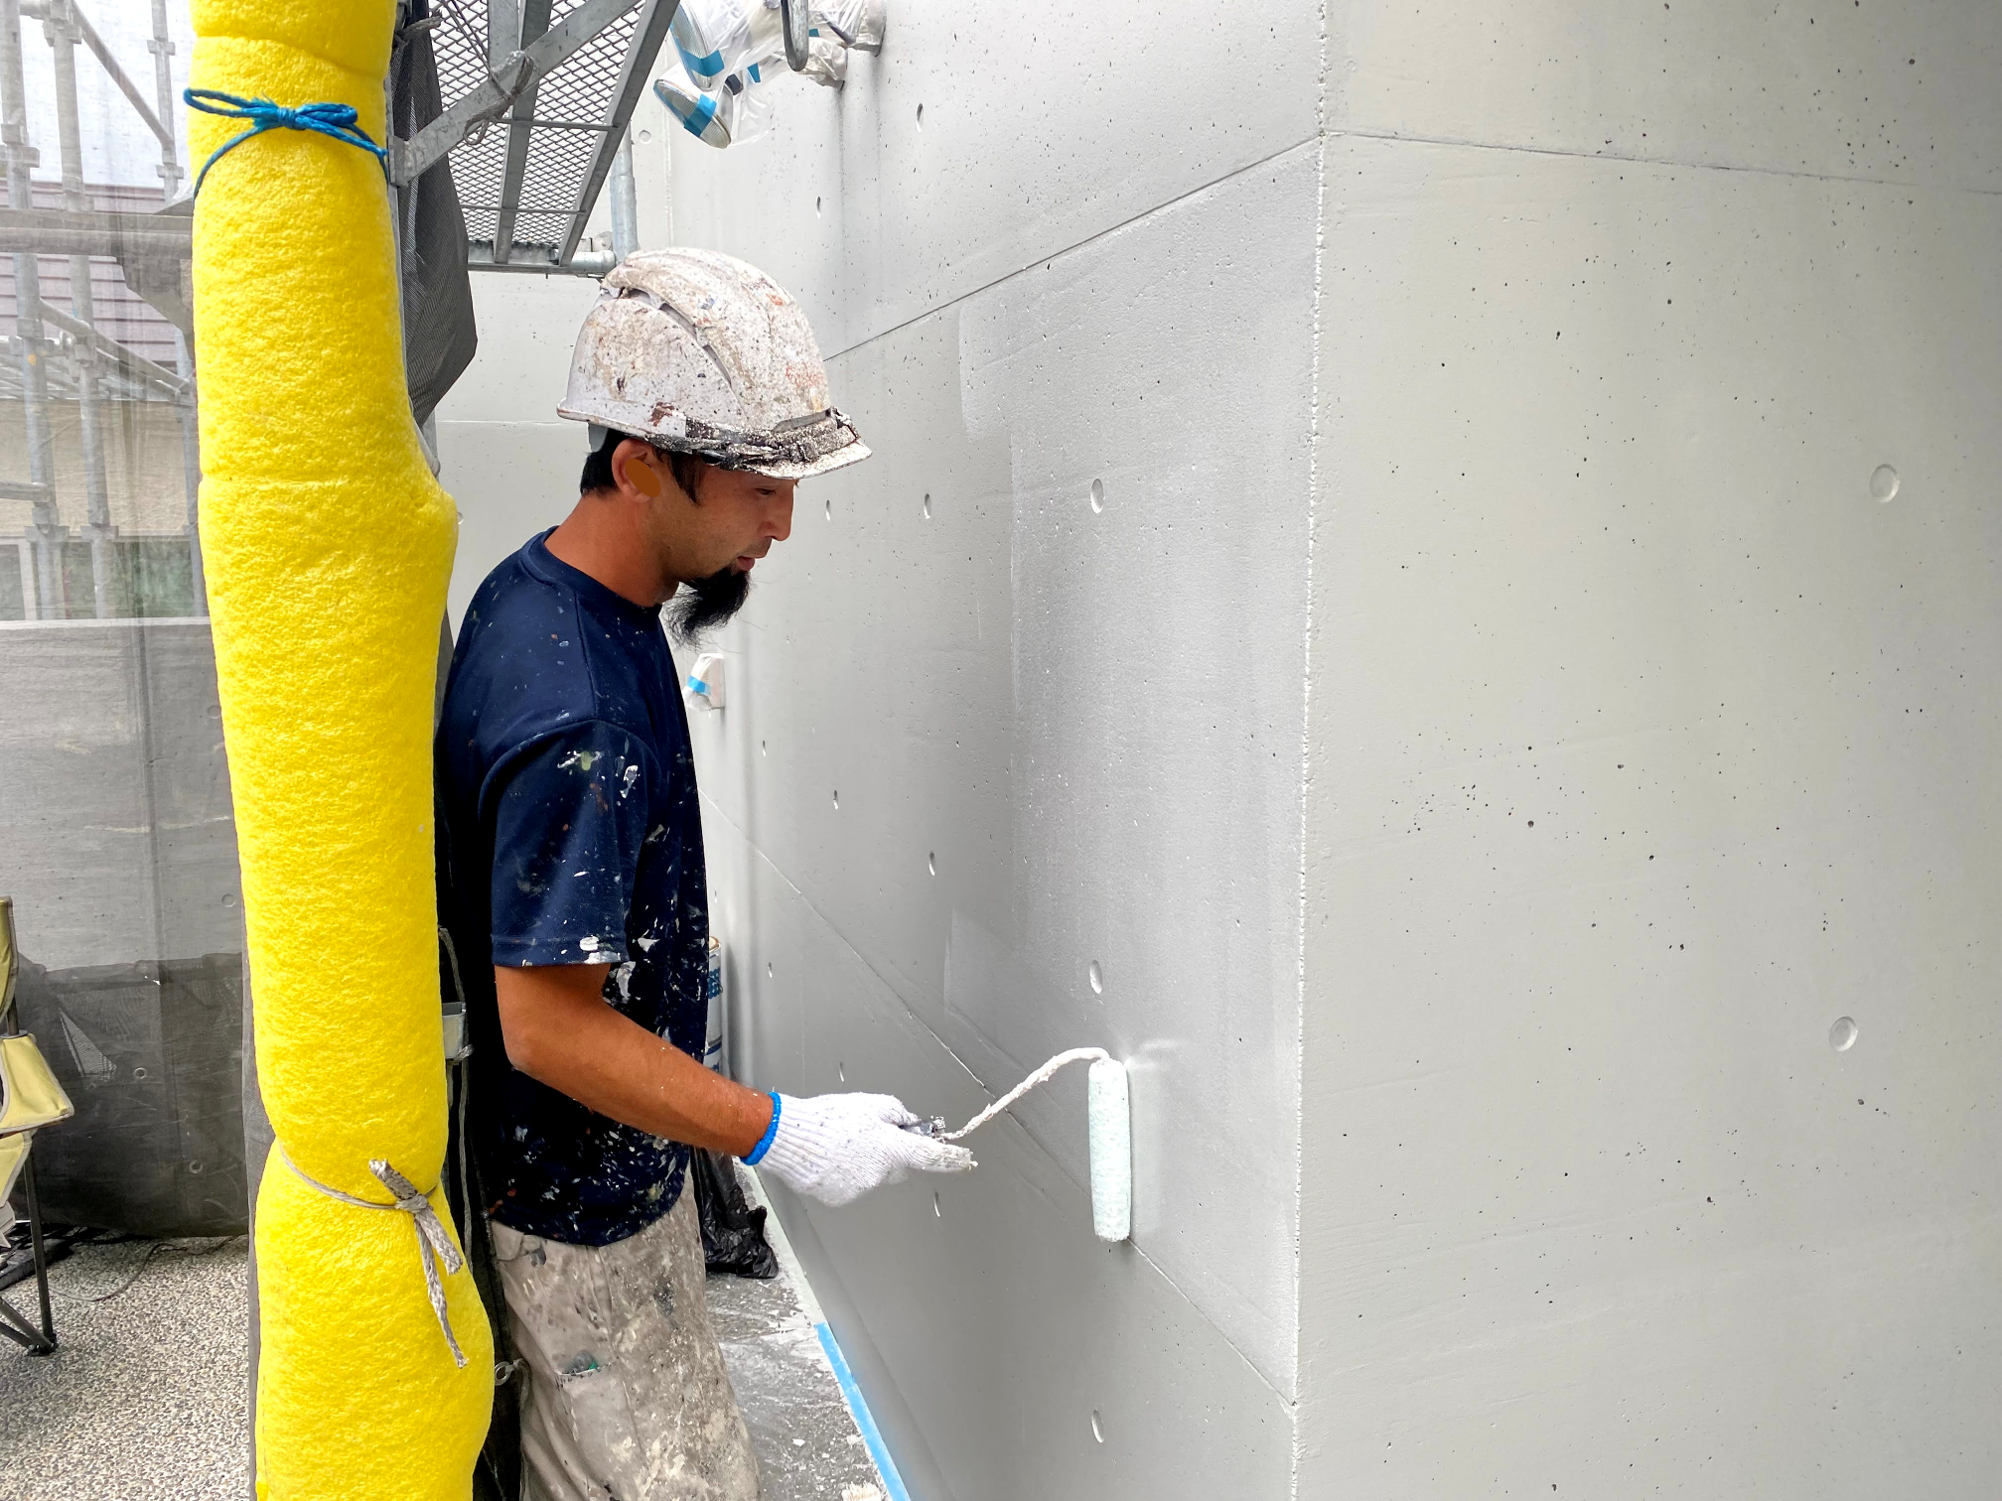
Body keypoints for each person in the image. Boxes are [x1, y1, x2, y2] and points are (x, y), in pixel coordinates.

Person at [434, 248, 974, 1501]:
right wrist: (783, 1130)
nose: (781, 523)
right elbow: (546, 1028)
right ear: (638, 466)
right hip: (572, 1219)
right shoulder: (579, 713)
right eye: (757, 488)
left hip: (612, 1177)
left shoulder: (563, 596)